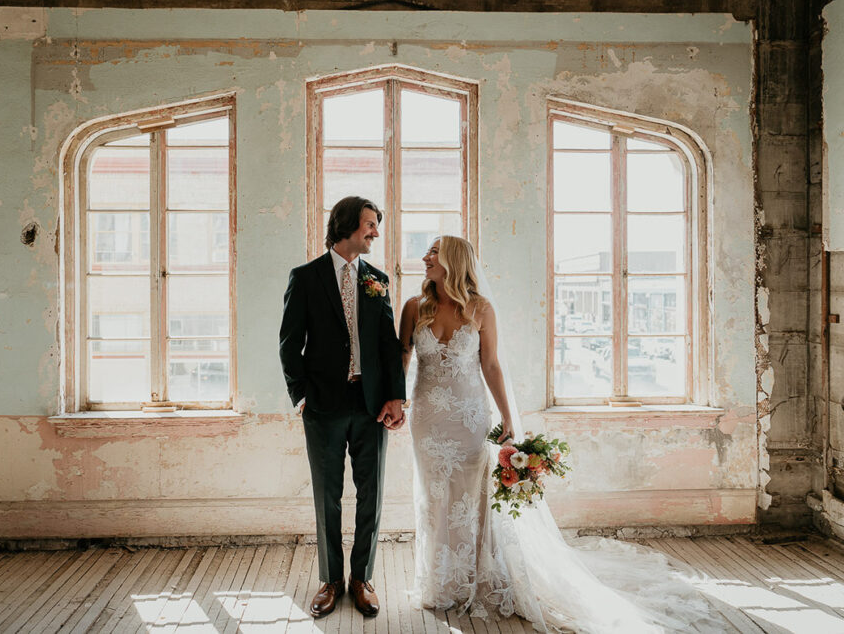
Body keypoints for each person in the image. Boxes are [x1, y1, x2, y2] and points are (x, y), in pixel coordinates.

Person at [400, 235, 721, 633]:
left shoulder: (481, 309)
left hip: (469, 417)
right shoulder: (415, 307)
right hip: (428, 419)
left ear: (453, 260)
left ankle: (476, 576)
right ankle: (438, 580)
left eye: (433, 252)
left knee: (472, 499)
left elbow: (492, 366)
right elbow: (403, 358)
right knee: (433, 497)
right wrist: (397, 402)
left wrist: (508, 418)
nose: (425, 257)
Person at [278, 196, 407, 619]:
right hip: (324, 406)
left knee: (371, 494)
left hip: (371, 405)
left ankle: (362, 578)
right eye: (370, 224)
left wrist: (395, 396)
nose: (374, 232)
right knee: (327, 497)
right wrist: (301, 395)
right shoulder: (306, 277)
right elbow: (288, 343)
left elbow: (389, 346)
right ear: (348, 226)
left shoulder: (378, 280)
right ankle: (331, 580)